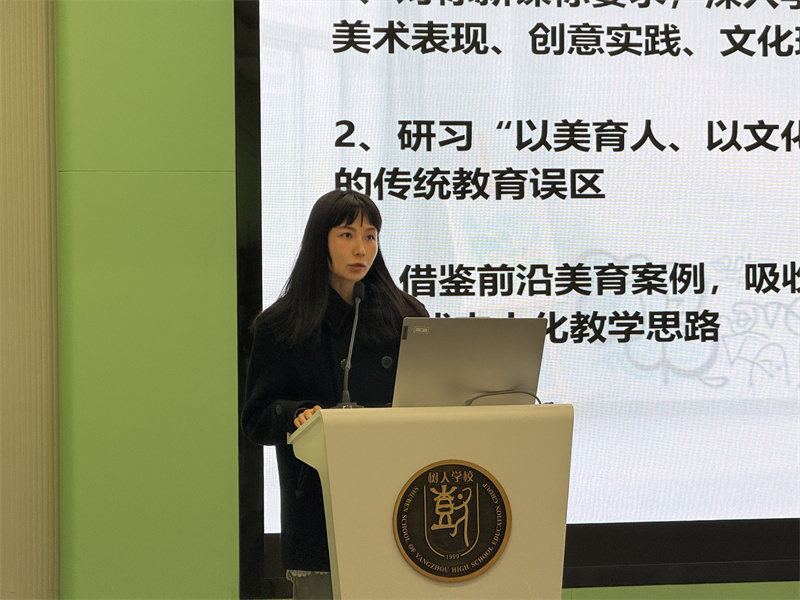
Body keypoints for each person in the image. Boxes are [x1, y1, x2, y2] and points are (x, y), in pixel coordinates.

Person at [241, 189, 428, 599]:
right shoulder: (281, 324)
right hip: (317, 510)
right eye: (347, 235)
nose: (361, 248)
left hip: (398, 501)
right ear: (319, 241)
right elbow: (256, 418)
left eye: (370, 235)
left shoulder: (407, 316)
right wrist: (297, 414)